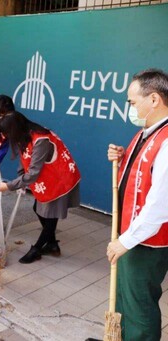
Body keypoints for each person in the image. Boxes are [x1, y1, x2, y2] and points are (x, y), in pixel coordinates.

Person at [104, 69, 168, 341]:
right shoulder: (148, 133)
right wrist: (122, 156)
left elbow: (160, 204)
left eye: (131, 102)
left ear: (154, 99)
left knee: (139, 306)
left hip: (145, 241)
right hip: (132, 236)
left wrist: (126, 241)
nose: (129, 108)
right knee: (126, 301)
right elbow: (141, 173)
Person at [0, 111, 80, 264]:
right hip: (48, 178)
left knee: (50, 214)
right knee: (38, 209)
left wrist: (9, 186)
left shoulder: (40, 140)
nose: (6, 137)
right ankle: (52, 244)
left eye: (7, 133)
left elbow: (33, 173)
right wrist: (21, 178)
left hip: (59, 179)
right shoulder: (25, 136)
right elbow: (24, 157)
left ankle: (37, 249)